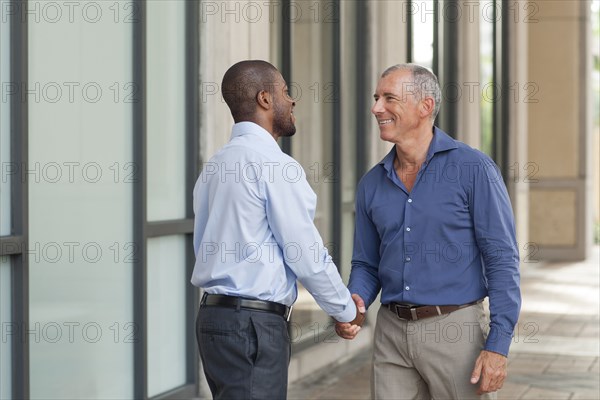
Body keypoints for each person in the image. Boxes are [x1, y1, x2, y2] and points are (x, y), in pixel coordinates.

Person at [336, 64, 521, 399]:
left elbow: (502, 259)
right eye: (376, 98)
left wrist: (498, 344)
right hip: (391, 332)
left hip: (456, 331)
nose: (376, 107)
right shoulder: (371, 184)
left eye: (389, 98)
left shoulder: (472, 169)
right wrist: (356, 301)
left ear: (425, 106)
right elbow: (366, 263)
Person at [191, 60, 364, 400]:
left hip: (213, 321)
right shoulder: (276, 167)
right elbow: (305, 254)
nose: (293, 100)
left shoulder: (214, 166)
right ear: (265, 99)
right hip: (253, 327)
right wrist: (346, 309)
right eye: (285, 92)